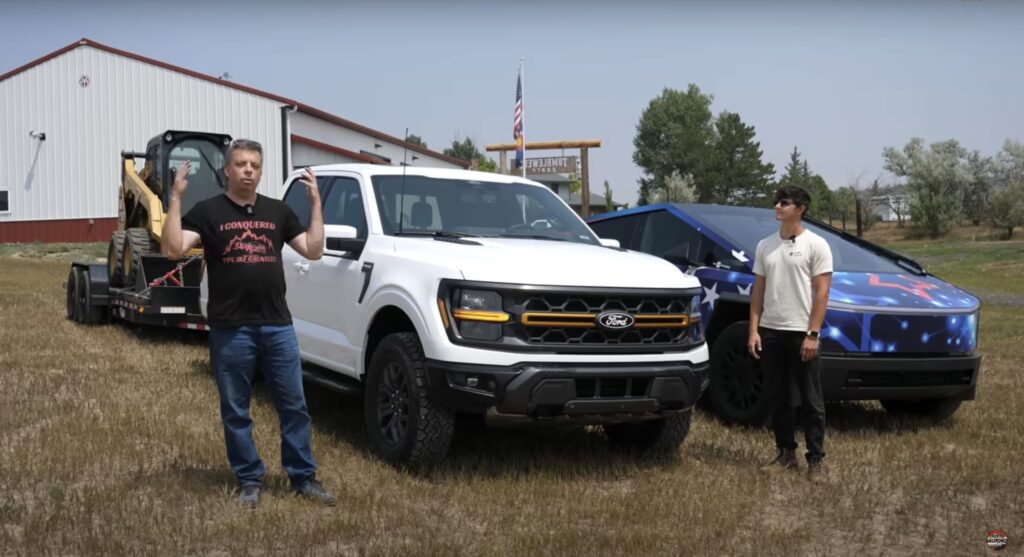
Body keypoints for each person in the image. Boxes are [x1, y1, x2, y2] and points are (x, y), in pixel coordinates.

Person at [162, 139, 335, 507]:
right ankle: (250, 479)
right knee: (236, 410)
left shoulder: (278, 211)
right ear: (227, 170)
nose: (248, 171)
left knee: (294, 406)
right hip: (231, 328)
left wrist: (317, 204)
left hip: (278, 326)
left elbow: (314, 250)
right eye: (240, 164)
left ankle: (303, 477)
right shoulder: (207, 211)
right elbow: (173, 249)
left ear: (261, 170)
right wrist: (176, 198)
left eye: (255, 165)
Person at [747, 186, 833, 483]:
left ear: (801, 209)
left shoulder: (817, 245)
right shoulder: (765, 246)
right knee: (779, 397)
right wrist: (753, 331)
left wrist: (813, 333)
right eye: (776, 201)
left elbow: (822, 293)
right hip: (771, 332)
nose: (778, 206)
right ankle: (786, 454)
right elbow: (759, 290)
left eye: (784, 202)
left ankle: (816, 460)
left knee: (811, 399)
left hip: (802, 332)